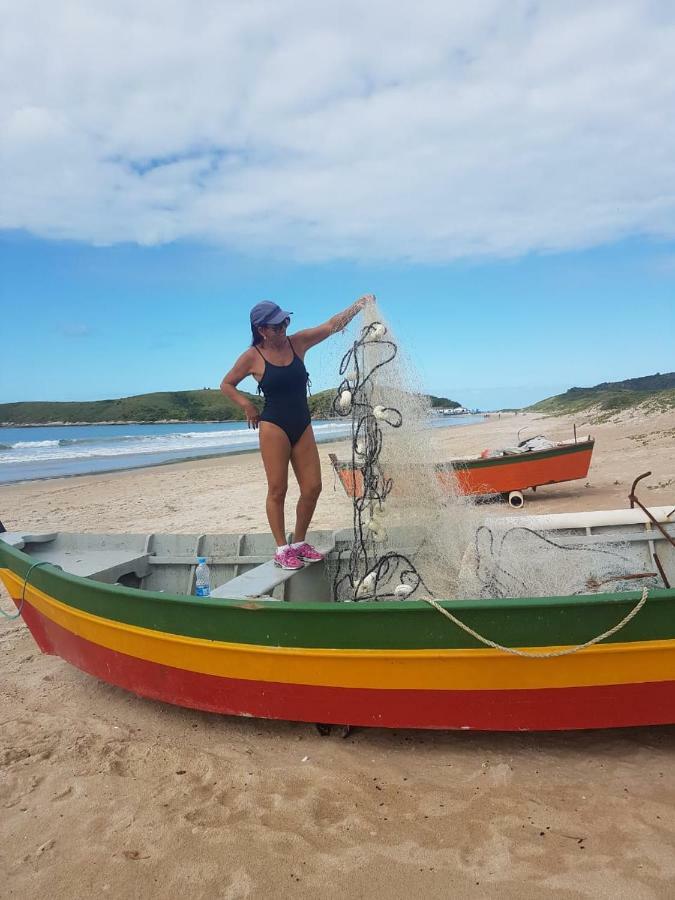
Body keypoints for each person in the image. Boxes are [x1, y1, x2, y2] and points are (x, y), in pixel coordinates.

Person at [220, 295, 374, 569]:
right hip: (273, 426)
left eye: (285, 322)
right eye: (277, 326)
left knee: (313, 487)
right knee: (278, 489)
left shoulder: (298, 343)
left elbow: (331, 326)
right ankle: (282, 549)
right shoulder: (251, 357)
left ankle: (299, 542)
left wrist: (356, 306)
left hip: (301, 423)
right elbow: (227, 384)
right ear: (262, 330)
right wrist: (246, 405)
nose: (283, 329)